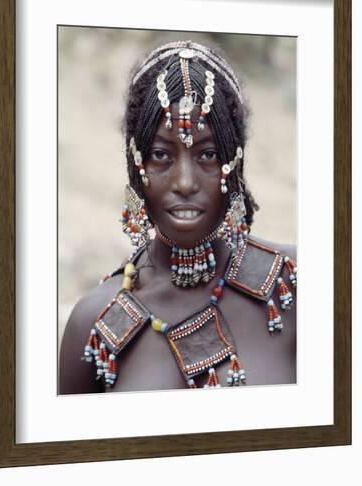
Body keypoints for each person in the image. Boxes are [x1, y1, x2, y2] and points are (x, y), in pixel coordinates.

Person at [59, 40, 296, 394]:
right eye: (160, 155)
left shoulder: (295, 284)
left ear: (235, 163)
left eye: (208, 154)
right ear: (135, 164)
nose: (185, 182)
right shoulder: (93, 325)